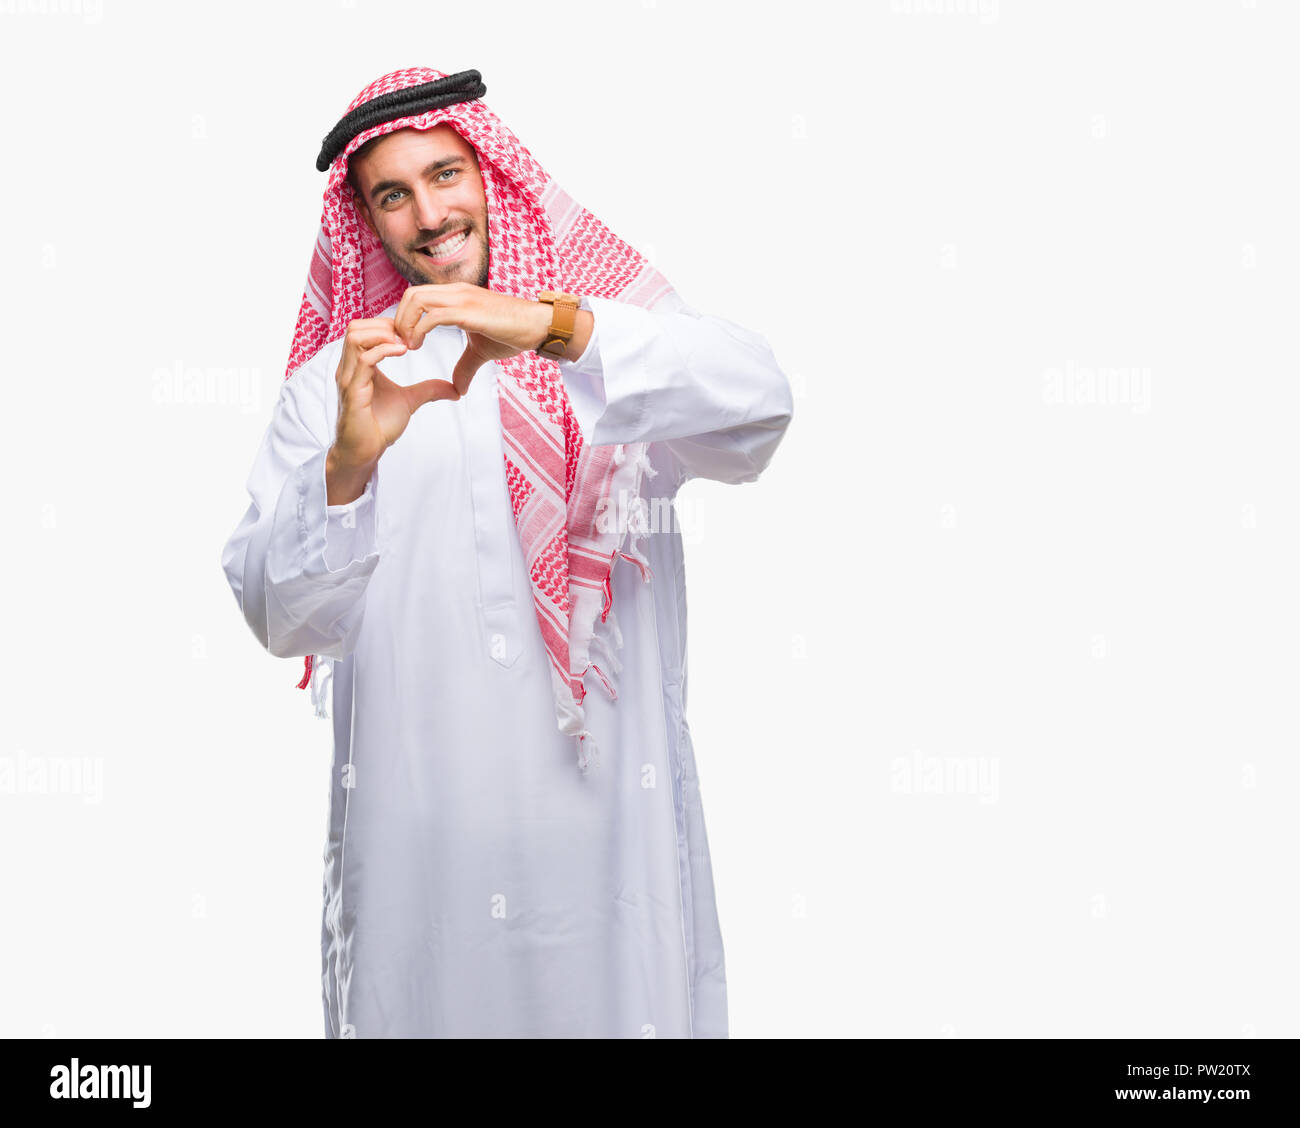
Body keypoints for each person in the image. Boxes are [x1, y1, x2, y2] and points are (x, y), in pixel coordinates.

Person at [220, 66, 794, 1038]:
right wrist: (349, 465)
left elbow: (760, 409)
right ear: (366, 221)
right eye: (391, 194)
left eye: (445, 174)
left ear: (489, 170)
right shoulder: (333, 387)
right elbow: (280, 620)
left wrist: (554, 327)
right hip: (422, 879)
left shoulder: (605, 339)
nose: (428, 214)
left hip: (613, 860)